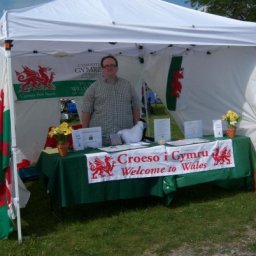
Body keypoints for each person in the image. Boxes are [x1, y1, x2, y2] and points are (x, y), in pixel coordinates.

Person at [81, 55, 141, 146]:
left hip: (125, 137)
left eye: (112, 65)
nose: (109, 68)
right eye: (106, 66)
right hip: (101, 138)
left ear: (116, 68)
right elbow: (86, 110)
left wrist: (136, 129)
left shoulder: (127, 85)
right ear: (102, 69)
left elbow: (136, 107)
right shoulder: (94, 87)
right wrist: (85, 133)